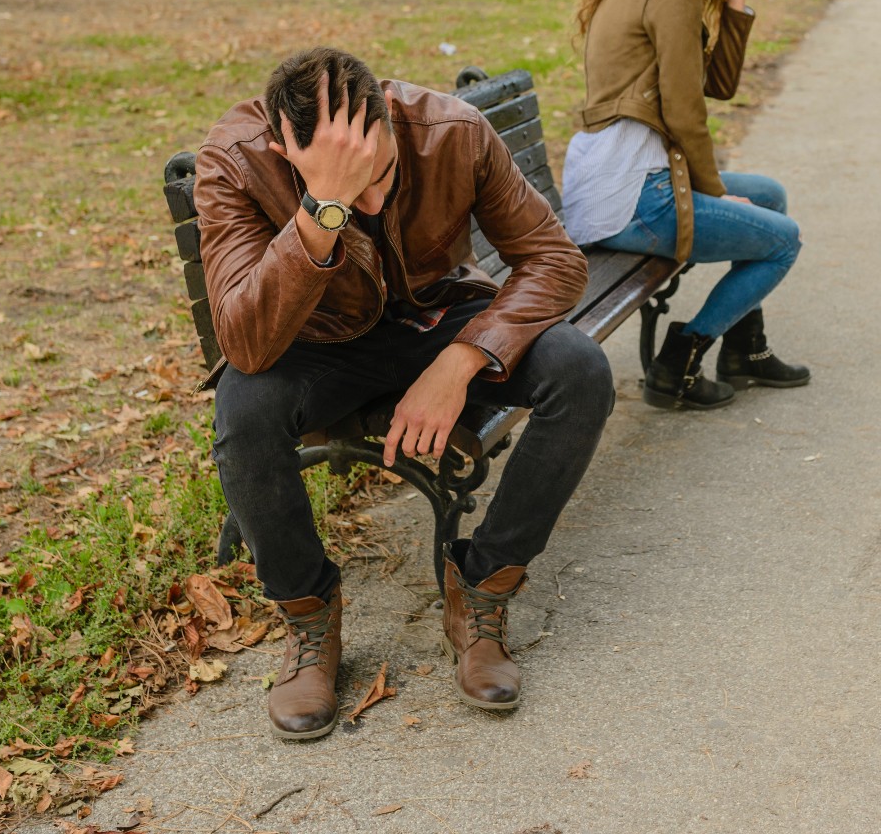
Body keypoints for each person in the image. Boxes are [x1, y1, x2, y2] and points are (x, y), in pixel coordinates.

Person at [194, 47, 613, 739]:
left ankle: (481, 591)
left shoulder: (451, 130)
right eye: (343, 188)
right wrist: (321, 209)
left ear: (389, 116)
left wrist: (460, 360)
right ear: (282, 148)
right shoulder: (236, 159)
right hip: (317, 339)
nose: (373, 202)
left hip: (437, 320)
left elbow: (554, 261)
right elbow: (246, 343)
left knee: (581, 368)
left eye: (379, 172)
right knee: (244, 407)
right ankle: (308, 621)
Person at [562, 0, 809, 412]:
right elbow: (683, 110)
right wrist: (716, 191)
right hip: (633, 196)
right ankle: (682, 358)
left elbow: (715, 85)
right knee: (783, 240)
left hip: (619, 182)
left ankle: (744, 351)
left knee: (769, 195)